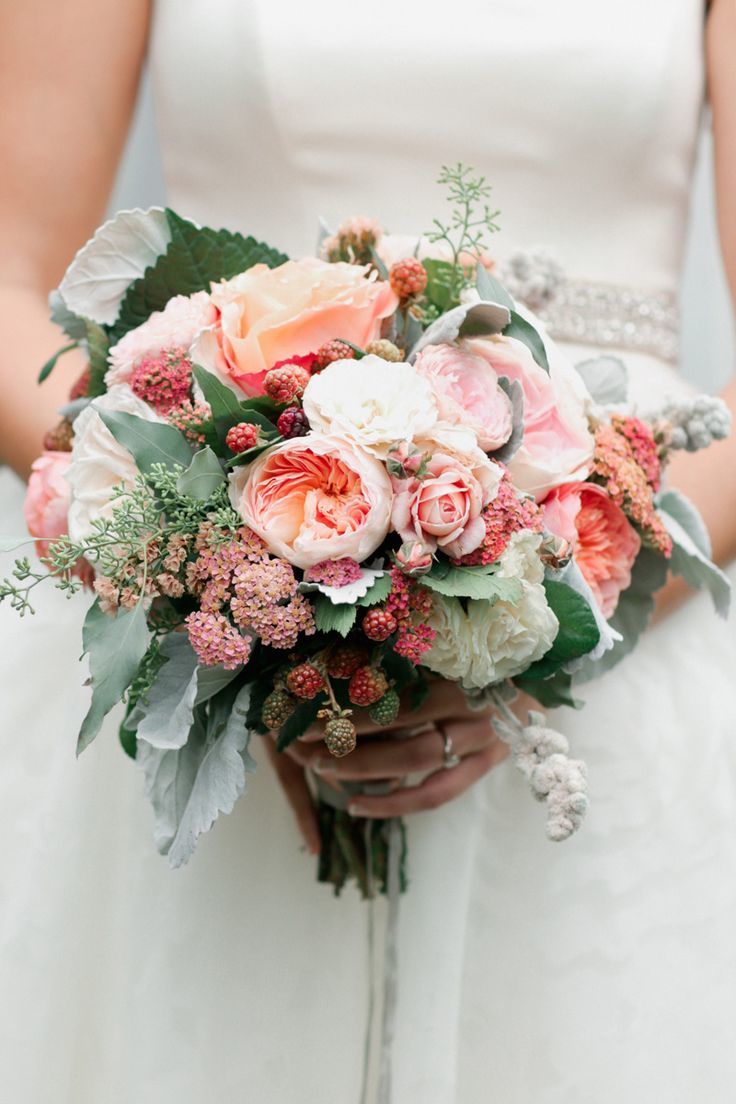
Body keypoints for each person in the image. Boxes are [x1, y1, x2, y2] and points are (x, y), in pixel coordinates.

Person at [1, 1, 735, 1100]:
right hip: (220, 559)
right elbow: (9, 268)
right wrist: (208, 568)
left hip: (616, 578)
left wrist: (543, 623)